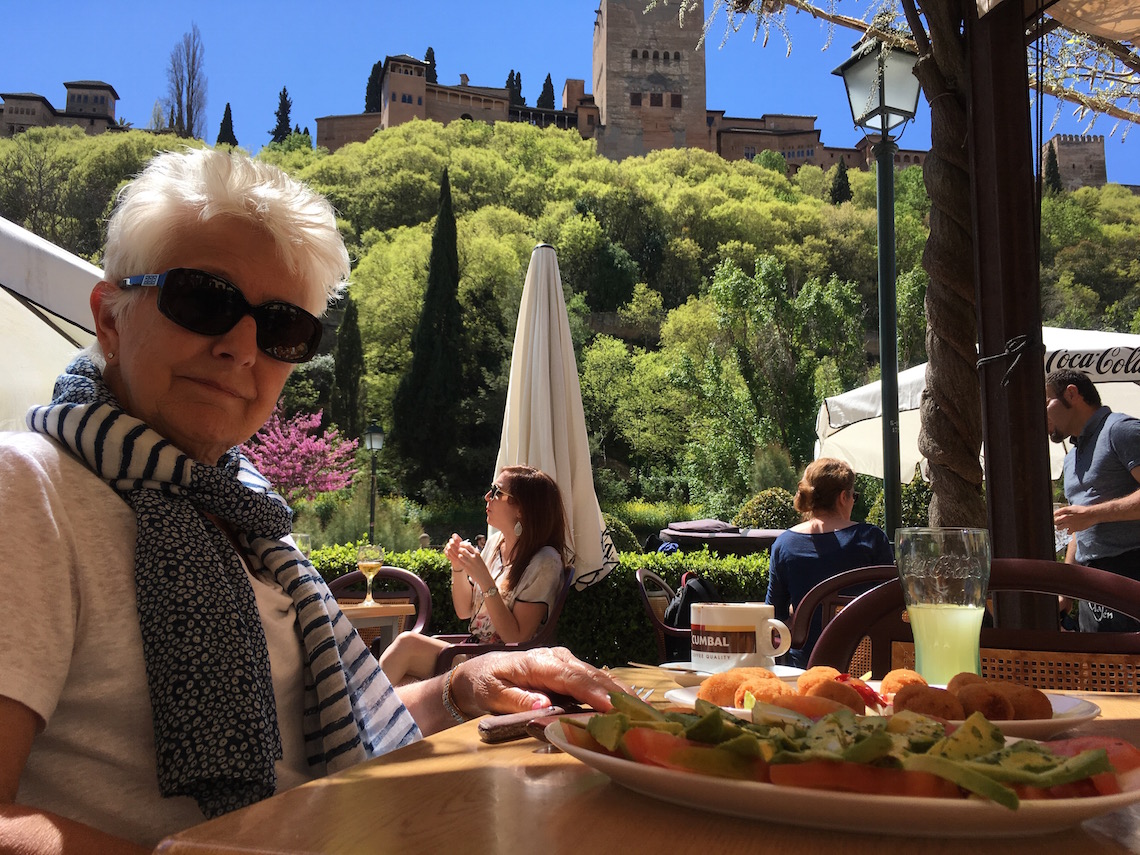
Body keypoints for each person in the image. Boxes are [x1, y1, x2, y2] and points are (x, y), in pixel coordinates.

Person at [0, 148, 623, 854]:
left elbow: (322, 747)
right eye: (203, 300)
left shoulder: (251, 520)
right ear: (109, 317)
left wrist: (463, 688)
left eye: (281, 328)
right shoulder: (29, 489)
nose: (241, 346)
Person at [379, 466, 569, 683]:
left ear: (522, 509)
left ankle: (354, 713)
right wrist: (458, 567)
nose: (487, 496)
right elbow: (463, 611)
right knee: (404, 683)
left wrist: (485, 579)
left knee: (406, 645)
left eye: (497, 492)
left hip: (506, 666)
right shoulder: (496, 544)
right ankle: (362, 714)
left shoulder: (545, 561)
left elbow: (516, 638)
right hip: (476, 653)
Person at [765, 458, 894, 667]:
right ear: (843, 497)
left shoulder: (784, 544)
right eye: (854, 496)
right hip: (865, 667)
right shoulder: (870, 538)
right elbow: (889, 605)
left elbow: (772, 615)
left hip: (806, 668)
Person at [1046, 368, 1140, 632]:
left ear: (1072, 394)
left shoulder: (1121, 431)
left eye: (1045, 402)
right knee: (1099, 671)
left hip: (1131, 573)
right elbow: (1079, 528)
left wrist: (1093, 514)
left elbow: (1088, 516)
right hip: (1090, 583)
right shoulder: (1071, 458)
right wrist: (1067, 589)